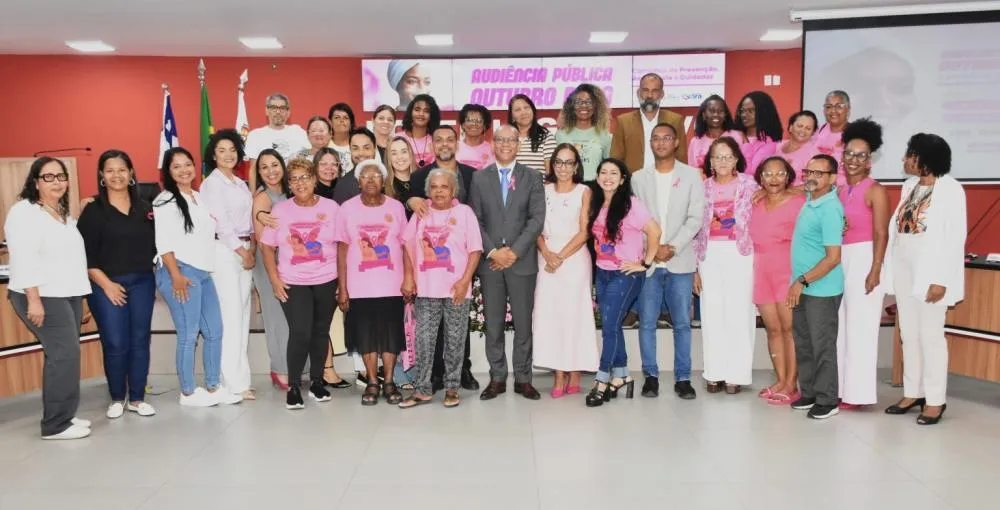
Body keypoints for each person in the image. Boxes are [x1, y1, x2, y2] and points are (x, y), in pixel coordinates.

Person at [5, 157, 93, 439]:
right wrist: (33, 299)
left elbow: (70, 257)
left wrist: (82, 299)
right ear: (35, 182)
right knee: (63, 354)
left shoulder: (62, 213)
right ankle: (55, 425)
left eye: (61, 176)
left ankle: (65, 416)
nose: (56, 182)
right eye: (48, 177)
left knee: (66, 355)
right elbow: (24, 257)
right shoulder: (23, 212)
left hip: (65, 293)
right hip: (41, 294)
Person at [884, 134, 965, 425]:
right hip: (904, 261)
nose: (905, 160)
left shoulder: (952, 190)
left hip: (931, 267)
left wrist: (941, 278)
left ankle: (934, 399)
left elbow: (954, 239)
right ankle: (913, 391)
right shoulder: (910, 186)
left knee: (930, 335)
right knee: (908, 332)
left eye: (910, 154)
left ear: (926, 160)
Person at [153, 148, 242, 408]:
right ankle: (188, 392)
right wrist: (176, 275)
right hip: (180, 271)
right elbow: (164, 242)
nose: (183, 170)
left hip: (203, 272)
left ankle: (213, 386)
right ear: (168, 172)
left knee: (215, 331)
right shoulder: (165, 200)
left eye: (187, 164)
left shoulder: (198, 197)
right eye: (176, 166)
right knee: (189, 334)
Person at [77, 150, 157, 419]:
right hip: (104, 284)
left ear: (132, 173)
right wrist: (107, 285)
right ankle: (116, 397)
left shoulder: (146, 209)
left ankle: (136, 397)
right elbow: (84, 256)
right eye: (109, 170)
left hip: (143, 283)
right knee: (115, 341)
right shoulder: (92, 211)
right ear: (101, 175)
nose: (116, 175)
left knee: (139, 341)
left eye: (122, 169)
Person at [470, 124, 546, 401]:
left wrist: (513, 252)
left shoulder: (533, 177)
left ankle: (523, 378)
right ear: (493, 143)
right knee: (493, 324)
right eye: (500, 139)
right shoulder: (479, 178)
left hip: (522, 261)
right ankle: (497, 377)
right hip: (491, 263)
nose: (505, 144)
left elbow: (536, 218)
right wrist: (492, 252)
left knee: (524, 324)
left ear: (518, 144)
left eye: (511, 140)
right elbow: (474, 219)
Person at [630, 124, 705, 399]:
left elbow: (695, 217)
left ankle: (683, 378)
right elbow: (635, 219)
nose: (661, 143)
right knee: (647, 322)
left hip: (680, 260)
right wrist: (654, 249)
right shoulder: (639, 178)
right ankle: (651, 376)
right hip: (649, 263)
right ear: (650, 143)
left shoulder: (691, 176)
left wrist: (671, 247)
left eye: (666, 138)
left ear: (676, 143)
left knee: (682, 323)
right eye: (656, 138)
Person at [260, 158, 341, 410]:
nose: (299, 183)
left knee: (320, 331)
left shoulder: (331, 207)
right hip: (293, 282)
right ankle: (294, 385)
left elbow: (342, 246)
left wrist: (343, 282)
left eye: (304, 177)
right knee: (300, 332)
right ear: (289, 184)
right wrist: (274, 280)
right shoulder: (281, 210)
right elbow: (266, 246)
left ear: (314, 180)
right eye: (293, 179)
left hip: (326, 279)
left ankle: (317, 382)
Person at [398, 170, 483, 408]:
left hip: (456, 288)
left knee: (455, 340)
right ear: (428, 190)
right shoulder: (420, 213)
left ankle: (452, 387)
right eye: (434, 186)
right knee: (424, 339)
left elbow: (475, 250)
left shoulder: (464, 213)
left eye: (444, 186)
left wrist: (465, 280)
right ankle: (422, 389)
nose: (439, 191)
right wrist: (408, 278)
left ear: (453, 190)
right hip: (426, 288)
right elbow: (407, 246)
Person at [334, 159, 411, 405]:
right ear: (358, 182)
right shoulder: (346, 208)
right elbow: (342, 250)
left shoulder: (396, 207)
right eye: (365, 176)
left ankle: (388, 381)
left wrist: (409, 279)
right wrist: (342, 287)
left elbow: (406, 245)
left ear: (383, 180)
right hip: (359, 286)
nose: (370, 180)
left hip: (392, 284)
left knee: (390, 335)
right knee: (365, 335)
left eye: (376, 176)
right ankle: (372, 382)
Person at [586, 158, 660, 407]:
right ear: (597, 178)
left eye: (614, 173)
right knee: (612, 325)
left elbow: (655, 232)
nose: (608, 177)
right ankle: (622, 376)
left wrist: (645, 263)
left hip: (626, 275)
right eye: (603, 172)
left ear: (622, 179)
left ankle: (602, 379)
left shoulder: (632, 205)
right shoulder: (596, 204)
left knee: (609, 327)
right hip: (602, 272)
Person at [693, 137, 760, 394]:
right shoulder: (703, 188)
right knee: (712, 312)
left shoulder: (750, 185)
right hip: (709, 255)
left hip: (740, 253)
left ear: (735, 160)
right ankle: (714, 372)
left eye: (727, 156)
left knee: (739, 311)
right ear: (710, 161)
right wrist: (696, 267)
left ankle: (737, 375)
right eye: (717, 157)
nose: (722, 161)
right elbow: (697, 227)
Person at [533, 144, 597, 398]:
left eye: (569, 162)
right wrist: (547, 253)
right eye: (558, 162)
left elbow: (584, 231)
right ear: (552, 165)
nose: (563, 167)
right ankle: (559, 373)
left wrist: (559, 256)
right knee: (551, 316)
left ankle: (576, 371)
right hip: (545, 258)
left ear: (576, 166)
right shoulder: (543, 190)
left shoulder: (585, 191)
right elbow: (535, 226)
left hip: (573, 260)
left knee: (574, 316)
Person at [836, 118, 890, 410]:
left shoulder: (875, 190)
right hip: (840, 260)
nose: (854, 160)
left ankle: (859, 394)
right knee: (842, 326)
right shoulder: (841, 191)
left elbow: (882, 233)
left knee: (861, 328)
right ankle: (842, 388)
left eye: (861, 155)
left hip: (866, 258)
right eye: (849, 154)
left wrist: (876, 269)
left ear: (870, 161)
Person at [787, 154, 845, 420]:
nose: (811, 177)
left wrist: (803, 281)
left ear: (832, 178)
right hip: (803, 287)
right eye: (809, 171)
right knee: (805, 343)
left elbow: (833, 258)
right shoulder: (811, 201)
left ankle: (827, 399)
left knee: (822, 345)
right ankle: (809, 392)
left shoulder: (830, 208)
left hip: (821, 288)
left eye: (819, 173)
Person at [200, 129, 256, 401]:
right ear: (213, 155)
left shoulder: (240, 183)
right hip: (225, 252)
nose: (228, 154)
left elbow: (249, 220)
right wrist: (240, 251)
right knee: (231, 317)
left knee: (243, 315)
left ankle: (241, 379)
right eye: (221, 150)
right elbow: (220, 222)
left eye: (232, 149)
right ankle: (231, 383)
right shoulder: (212, 184)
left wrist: (250, 247)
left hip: (244, 249)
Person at [749, 157, 806, 405]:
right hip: (761, 272)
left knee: (790, 329)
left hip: (788, 272)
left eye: (780, 174)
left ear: (788, 177)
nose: (774, 179)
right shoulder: (755, 202)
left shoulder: (799, 202)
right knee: (773, 329)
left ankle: (792, 384)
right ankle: (781, 380)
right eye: (768, 174)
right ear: (760, 178)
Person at [250, 150, 293, 390]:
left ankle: (293, 365)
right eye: (264, 167)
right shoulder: (263, 199)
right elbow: (261, 237)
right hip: (270, 264)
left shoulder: (288, 193)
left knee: (290, 317)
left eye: (274, 165)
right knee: (277, 316)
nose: (270, 171)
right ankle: (280, 369)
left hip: (291, 262)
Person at [610, 72, 689, 171]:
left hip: (667, 181)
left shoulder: (675, 120)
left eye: (655, 91)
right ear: (639, 93)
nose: (649, 96)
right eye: (645, 90)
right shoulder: (623, 121)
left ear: (662, 94)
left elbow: (681, 158)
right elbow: (615, 159)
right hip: (633, 182)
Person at [245, 93, 310, 190]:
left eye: (283, 108)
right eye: (273, 107)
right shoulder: (255, 135)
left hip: (296, 189)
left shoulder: (299, 132)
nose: (278, 111)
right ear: (267, 111)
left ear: (288, 112)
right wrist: (253, 196)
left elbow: (308, 163)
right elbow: (253, 170)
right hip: (267, 191)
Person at [556, 84, 612, 181]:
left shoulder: (604, 135)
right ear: (571, 106)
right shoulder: (561, 135)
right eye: (578, 102)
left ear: (596, 106)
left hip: (595, 190)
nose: (583, 106)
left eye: (589, 102)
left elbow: (610, 167)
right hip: (568, 188)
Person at [734, 91, 783, 173]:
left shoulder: (769, 144)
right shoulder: (733, 135)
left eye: (751, 110)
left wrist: (746, 143)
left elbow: (750, 173)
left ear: (764, 112)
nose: (744, 115)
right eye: (742, 110)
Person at [687, 95, 741, 169]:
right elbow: (692, 171)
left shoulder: (737, 137)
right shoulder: (695, 142)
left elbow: (743, 167)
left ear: (725, 115)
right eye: (712, 111)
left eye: (720, 111)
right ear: (704, 115)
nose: (716, 114)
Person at [508, 94, 557, 174]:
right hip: (510, 186)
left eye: (526, 108)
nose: (523, 112)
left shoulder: (546, 136)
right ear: (512, 116)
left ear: (533, 110)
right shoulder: (506, 137)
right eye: (517, 110)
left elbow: (551, 172)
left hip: (538, 186)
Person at [332, 127, 379, 205]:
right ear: (350, 150)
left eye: (366, 148)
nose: (361, 153)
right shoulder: (343, 185)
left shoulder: (387, 179)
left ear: (375, 148)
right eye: (355, 148)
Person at [778, 111, 820, 186]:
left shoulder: (814, 155)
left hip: (796, 195)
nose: (803, 130)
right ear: (790, 127)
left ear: (813, 133)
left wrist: (789, 191)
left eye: (808, 128)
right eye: (800, 126)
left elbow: (815, 184)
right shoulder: (777, 145)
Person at [399, 94, 440, 168]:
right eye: (417, 110)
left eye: (426, 111)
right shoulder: (398, 138)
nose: (421, 114)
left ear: (431, 116)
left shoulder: (436, 140)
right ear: (410, 112)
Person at [813, 90, 851, 165]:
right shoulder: (818, 130)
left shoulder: (855, 133)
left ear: (848, 108)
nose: (833, 110)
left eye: (839, 106)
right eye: (829, 106)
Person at [384, 136, 417, 216]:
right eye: (394, 153)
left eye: (404, 151)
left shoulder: (424, 179)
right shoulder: (384, 187)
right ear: (389, 158)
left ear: (410, 154)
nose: (400, 157)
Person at [456, 103, 495, 170]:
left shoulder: (492, 149)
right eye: (469, 120)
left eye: (479, 120)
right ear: (463, 125)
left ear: (484, 126)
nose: (474, 124)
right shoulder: (454, 147)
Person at [328, 103, 356, 175]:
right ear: (330, 122)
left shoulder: (358, 144)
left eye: (346, 118)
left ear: (351, 123)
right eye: (337, 117)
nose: (341, 120)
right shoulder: (325, 145)